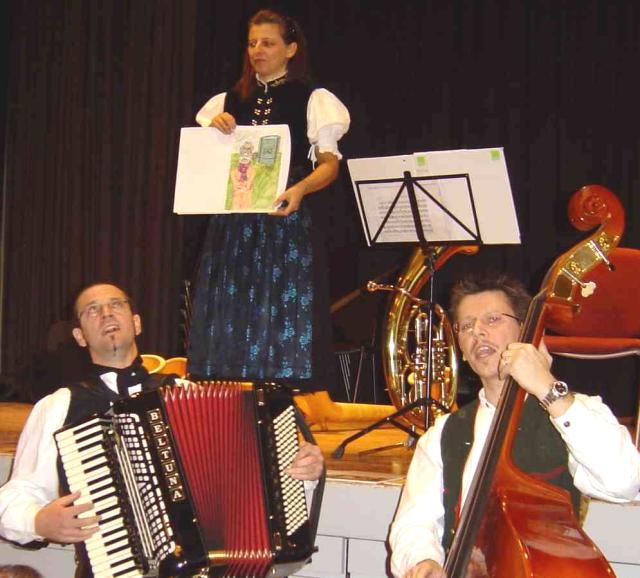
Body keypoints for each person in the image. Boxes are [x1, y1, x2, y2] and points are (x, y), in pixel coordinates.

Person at [0, 283, 323, 575]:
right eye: (92, 310)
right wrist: (38, 521)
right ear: (80, 336)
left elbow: (259, 488)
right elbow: (14, 496)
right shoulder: (59, 406)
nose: (106, 313)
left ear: (137, 323)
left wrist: (301, 473)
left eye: (116, 304)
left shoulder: (189, 395)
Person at [389, 272, 640, 578]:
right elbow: (414, 522)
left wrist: (548, 389)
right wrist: (422, 561)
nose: (478, 332)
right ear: (462, 351)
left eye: (492, 319)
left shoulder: (574, 411)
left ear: (526, 331)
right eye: (466, 326)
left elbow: (624, 482)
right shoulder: (443, 433)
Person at [187, 9, 350, 395]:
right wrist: (215, 132)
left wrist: (299, 190)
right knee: (231, 303)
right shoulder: (226, 102)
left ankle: (285, 396)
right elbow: (208, 163)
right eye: (252, 43)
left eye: (268, 43)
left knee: (281, 306)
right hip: (233, 223)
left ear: (290, 49)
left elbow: (329, 166)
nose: (257, 50)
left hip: (283, 219)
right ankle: (228, 397)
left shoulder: (312, 98)